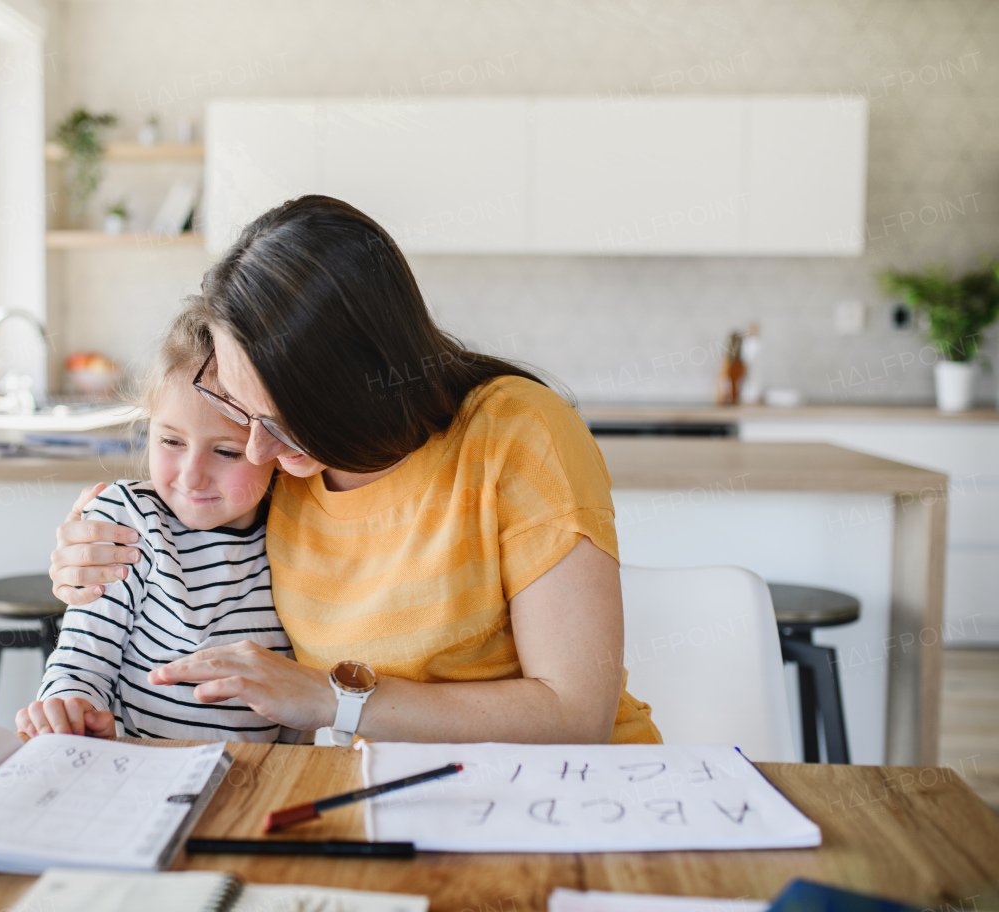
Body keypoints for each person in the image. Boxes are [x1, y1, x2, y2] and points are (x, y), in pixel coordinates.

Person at [46, 195, 661, 746]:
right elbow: (186, 518)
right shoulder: (286, 461)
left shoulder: (519, 434)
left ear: (361, 384)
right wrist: (95, 542)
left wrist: (331, 698)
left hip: (564, 794)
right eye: (242, 412)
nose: (257, 451)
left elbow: (574, 717)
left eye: (285, 421)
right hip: (376, 794)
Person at [16, 309, 296, 741]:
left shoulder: (298, 527)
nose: (191, 476)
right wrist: (69, 709)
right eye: (171, 441)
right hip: (144, 772)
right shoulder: (128, 523)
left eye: (226, 452)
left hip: (261, 781)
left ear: (276, 446)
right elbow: (81, 661)